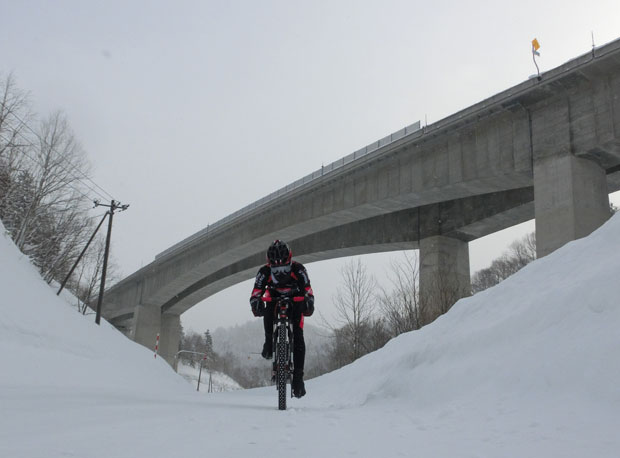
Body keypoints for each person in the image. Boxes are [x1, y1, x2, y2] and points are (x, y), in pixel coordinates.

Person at [249, 240, 314, 398]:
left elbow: (308, 290)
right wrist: (255, 303)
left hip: (295, 299)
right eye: (275, 269)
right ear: (269, 264)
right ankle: (269, 342)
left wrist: (309, 301)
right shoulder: (263, 272)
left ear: (290, 261)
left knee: (298, 334)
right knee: (267, 308)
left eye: (284, 268)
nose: (280, 273)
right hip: (274, 298)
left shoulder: (299, 269)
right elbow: (256, 292)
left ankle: (298, 377)